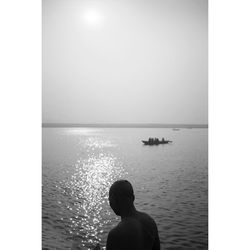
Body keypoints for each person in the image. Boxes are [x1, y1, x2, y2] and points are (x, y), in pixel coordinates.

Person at [106, 180, 160, 250]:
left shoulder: (115, 234)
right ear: (133, 198)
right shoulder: (150, 221)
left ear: (114, 201)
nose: (110, 204)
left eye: (110, 200)